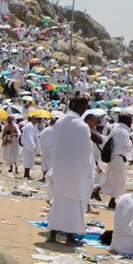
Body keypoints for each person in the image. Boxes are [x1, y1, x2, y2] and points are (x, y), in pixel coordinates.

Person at [47, 97, 93, 246]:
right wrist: (86, 170)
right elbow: (86, 151)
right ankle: (70, 236)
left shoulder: (59, 122)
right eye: (84, 105)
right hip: (75, 169)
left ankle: (53, 232)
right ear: (77, 106)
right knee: (74, 203)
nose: (85, 108)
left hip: (60, 166)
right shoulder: (82, 126)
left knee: (59, 201)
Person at [102, 114, 133, 209]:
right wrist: (132, 143)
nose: (131, 122)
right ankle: (110, 199)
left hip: (113, 157)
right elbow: (125, 147)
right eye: (130, 120)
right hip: (118, 158)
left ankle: (111, 198)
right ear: (126, 120)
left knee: (112, 180)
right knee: (119, 181)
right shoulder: (123, 131)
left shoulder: (116, 128)